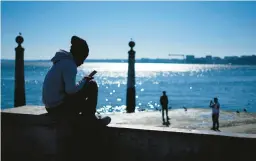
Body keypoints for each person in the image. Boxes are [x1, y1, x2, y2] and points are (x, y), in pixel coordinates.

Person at [42, 36, 111, 161]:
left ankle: (88, 116)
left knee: (86, 84)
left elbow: (68, 89)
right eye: (83, 58)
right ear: (79, 55)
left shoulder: (61, 62)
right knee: (92, 84)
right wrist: (85, 80)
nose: (83, 62)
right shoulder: (70, 65)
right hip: (59, 108)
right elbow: (71, 90)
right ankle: (90, 119)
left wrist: (82, 82)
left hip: (51, 107)